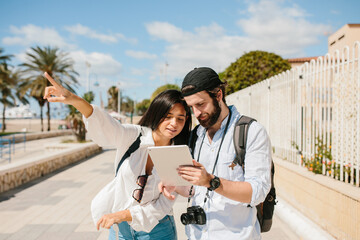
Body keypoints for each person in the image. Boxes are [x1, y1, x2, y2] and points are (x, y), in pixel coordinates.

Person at [43, 72, 192, 240]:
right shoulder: (134, 136)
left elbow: (164, 204)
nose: (174, 124)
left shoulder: (178, 153)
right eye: (168, 116)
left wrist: (123, 215)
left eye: (180, 119)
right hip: (122, 231)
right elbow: (107, 126)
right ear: (157, 114)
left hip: (158, 229)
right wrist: (76, 100)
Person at [159, 67, 272, 240]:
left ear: (218, 95)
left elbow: (259, 192)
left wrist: (211, 181)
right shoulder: (196, 135)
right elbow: (195, 190)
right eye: (191, 107)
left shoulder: (251, 132)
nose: (196, 113)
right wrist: (176, 185)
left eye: (201, 104)